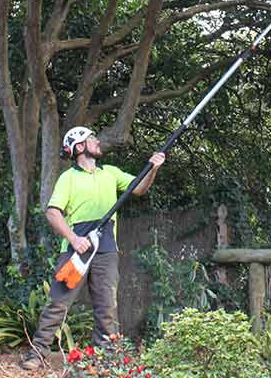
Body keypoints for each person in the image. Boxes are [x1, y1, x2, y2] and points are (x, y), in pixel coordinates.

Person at [20, 126, 165, 370]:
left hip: (106, 250)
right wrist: (74, 239)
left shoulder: (110, 173)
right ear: (79, 147)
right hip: (76, 252)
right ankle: (37, 354)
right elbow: (53, 213)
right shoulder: (68, 178)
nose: (97, 142)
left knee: (107, 308)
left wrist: (153, 168)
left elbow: (139, 188)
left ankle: (107, 362)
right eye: (91, 139)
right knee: (58, 303)